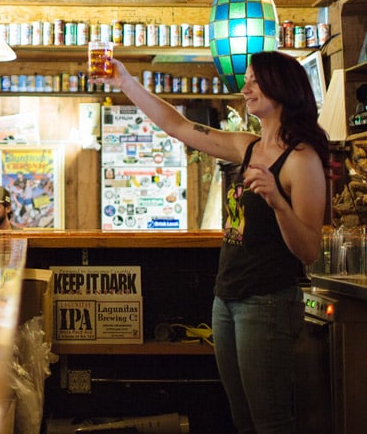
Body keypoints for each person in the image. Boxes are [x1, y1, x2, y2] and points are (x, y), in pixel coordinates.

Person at [96, 51, 328, 433]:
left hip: (267, 301)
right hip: (228, 299)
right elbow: (177, 126)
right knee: (241, 418)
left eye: (255, 79)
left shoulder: (301, 160)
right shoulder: (247, 146)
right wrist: (126, 82)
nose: (245, 87)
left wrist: (276, 201)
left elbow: (309, 249)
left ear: (282, 87)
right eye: (247, 79)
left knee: (271, 422)